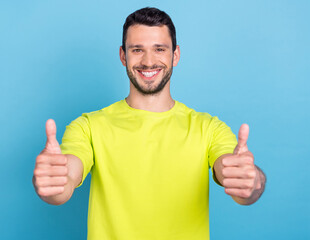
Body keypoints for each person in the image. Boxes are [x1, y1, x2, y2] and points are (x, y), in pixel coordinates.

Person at [33, 7, 266, 240]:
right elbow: (65, 182)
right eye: (137, 50)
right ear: (123, 55)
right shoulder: (88, 126)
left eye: (159, 49)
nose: (148, 61)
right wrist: (52, 181)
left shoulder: (209, 128)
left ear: (175, 55)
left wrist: (251, 181)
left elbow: (237, 179)